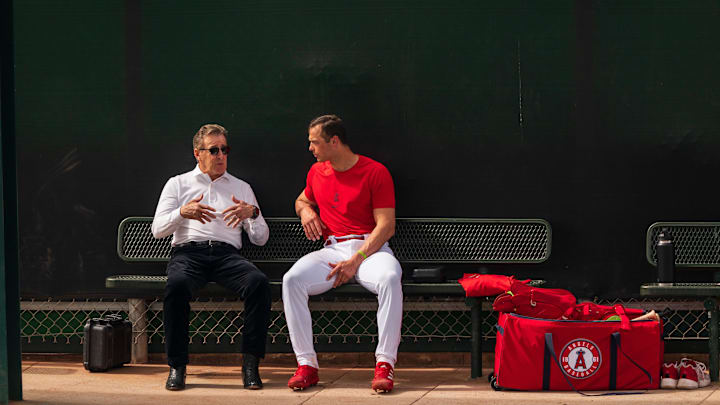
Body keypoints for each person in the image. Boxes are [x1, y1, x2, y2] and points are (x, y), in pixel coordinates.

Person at [282, 115, 402, 393]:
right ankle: (307, 366)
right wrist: (306, 210)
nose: (310, 148)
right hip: (333, 249)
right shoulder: (316, 172)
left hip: (370, 250)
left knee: (390, 277)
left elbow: (386, 226)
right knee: (292, 280)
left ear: (334, 142)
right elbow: (302, 199)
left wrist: (356, 260)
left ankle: (385, 365)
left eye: (315, 142)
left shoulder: (375, 172)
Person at [151, 124, 271, 391]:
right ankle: (177, 367)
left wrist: (251, 214)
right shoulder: (178, 183)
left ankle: (250, 366)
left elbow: (260, 239)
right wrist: (183, 212)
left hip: (227, 255)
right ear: (198, 153)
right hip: (189, 253)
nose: (220, 156)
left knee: (258, 283)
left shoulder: (241, 187)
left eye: (224, 150)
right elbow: (158, 230)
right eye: (213, 150)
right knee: (177, 286)